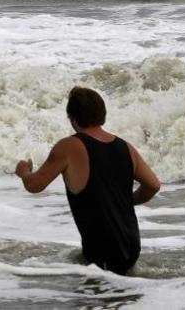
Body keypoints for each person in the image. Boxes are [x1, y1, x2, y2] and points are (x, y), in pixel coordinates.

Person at [15, 86, 160, 274]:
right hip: (131, 247)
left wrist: (24, 172)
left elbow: (35, 185)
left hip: (102, 251)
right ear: (102, 114)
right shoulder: (125, 147)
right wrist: (124, 201)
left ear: (72, 118)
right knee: (122, 297)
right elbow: (153, 185)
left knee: (94, 300)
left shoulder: (69, 146)